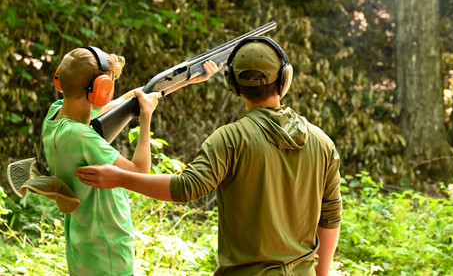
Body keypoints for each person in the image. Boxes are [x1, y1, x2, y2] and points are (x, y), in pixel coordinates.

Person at [76, 37, 343, 275]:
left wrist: (120, 178)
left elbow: (186, 188)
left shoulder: (231, 138)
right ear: (285, 79)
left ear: (232, 83)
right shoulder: (322, 142)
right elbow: (330, 216)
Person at [44, 46, 219, 276]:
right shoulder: (81, 136)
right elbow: (140, 171)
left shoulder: (56, 114)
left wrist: (189, 79)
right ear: (99, 91)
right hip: (108, 249)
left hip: (84, 246)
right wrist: (146, 119)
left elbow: (129, 100)